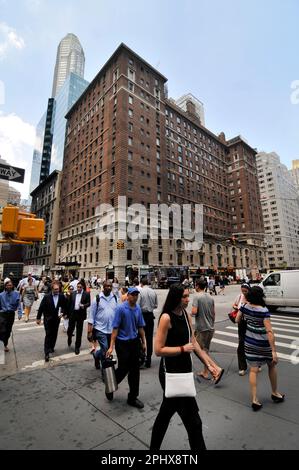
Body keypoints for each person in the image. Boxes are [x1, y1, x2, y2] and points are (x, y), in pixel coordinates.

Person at [150, 284, 224, 451]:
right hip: (170, 373)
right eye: (184, 296)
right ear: (176, 298)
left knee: (166, 416)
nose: (188, 299)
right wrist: (182, 349)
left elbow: (194, 342)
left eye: (187, 296)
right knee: (194, 423)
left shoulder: (184, 314)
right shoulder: (166, 318)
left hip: (184, 372)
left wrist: (210, 365)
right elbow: (158, 350)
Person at [236, 286, 285, 411]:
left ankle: (254, 400)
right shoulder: (264, 310)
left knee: (253, 370)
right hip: (263, 343)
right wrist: (273, 350)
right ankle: (275, 393)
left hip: (250, 342)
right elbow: (269, 331)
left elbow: (237, 319)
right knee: (272, 365)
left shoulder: (244, 307)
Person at [106, 287, 146, 408]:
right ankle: (110, 386)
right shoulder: (121, 309)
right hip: (122, 343)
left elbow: (140, 327)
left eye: (136, 295)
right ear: (127, 295)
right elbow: (115, 328)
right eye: (133, 295)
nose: (135, 297)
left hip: (134, 342)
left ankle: (132, 398)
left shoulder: (138, 308)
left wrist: (144, 342)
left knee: (135, 370)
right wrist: (111, 347)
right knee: (123, 368)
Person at [87, 280, 118, 370]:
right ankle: (106, 373)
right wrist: (89, 332)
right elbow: (91, 316)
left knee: (107, 349)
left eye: (110, 286)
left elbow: (117, 313)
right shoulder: (97, 298)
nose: (108, 288)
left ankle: (96, 355)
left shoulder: (115, 298)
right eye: (106, 286)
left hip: (111, 329)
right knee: (105, 349)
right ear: (103, 287)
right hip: (100, 329)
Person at [36, 281, 67, 362]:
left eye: (58, 289)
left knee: (54, 334)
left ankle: (52, 347)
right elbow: (41, 307)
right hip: (48, 319)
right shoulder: (47, 297)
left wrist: (63, 312)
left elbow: (64, 306)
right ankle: (46, 353)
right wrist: (38, 318)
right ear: (52, 289)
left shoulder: (61, 296)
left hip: (56, 319)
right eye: (56, 289)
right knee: (48, 334)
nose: (57, 291)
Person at [191, 279, 215, 380]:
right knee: (205, 350)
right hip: (210, 327)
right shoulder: (210, 297)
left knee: (198, 351)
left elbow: (194, 311)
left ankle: (213, 369)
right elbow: (213, 313)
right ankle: (205, 372)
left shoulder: (197, 297)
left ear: (197, 286)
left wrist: (189, 313)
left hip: (201, 328)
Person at [138, 278, 158, 368]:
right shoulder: (153, 292)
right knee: (149, 338)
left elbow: (137, 305)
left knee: (140, 337)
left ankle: (141, 356)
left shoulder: (141, 292)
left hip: (142, 315)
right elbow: (156, 305)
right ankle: (149, 359)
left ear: (141, 283)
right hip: (150, 315)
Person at [67, 281, 91, 355]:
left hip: (80, 314)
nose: (79, 288)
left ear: (82, 287)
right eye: (78, 287)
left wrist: (84, 306)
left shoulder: (86, 294)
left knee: (79, 331)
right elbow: (69, 303)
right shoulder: (73, 293)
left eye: (80, 287)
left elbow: (89, 303)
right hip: (73, 313)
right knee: (70, 328)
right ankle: (69, 336)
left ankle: (77, 347)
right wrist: (66, 313)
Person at [232, 283, 251, 376]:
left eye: (245, 291)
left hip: (251, 323)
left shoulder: (252, 297)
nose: (243, 292)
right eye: (242, 290)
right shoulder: (239, 296)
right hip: (241, 323)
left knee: (252, 344)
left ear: (249, 290)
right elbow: (234, 305)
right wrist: (238, 307)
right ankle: (242, 367)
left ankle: (257, 363)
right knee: (241, 344)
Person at [0, 279, 22, 352]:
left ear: (12, 286)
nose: (9, 286)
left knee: (8, 331)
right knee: (2, 330)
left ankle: (5, 344)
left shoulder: (16, 293)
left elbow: (19, 305)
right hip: (3, 314)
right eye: (7, 285)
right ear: (5, 286)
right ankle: (2, 344)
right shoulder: (1, 295)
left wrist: (19, 313)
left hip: (11, 314)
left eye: (10, 285)